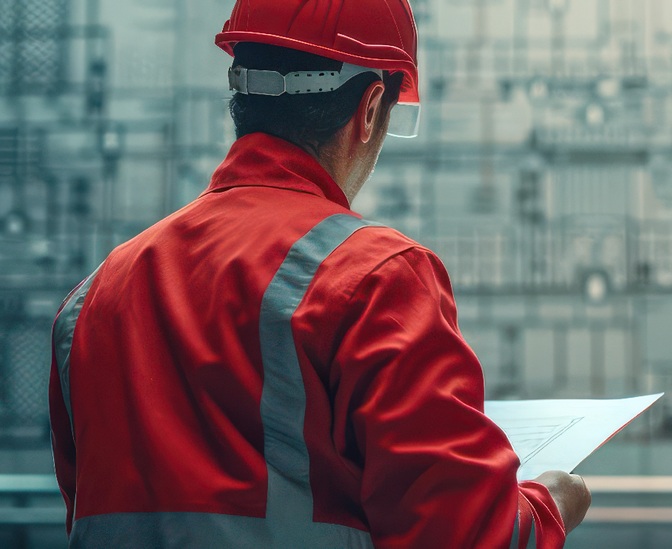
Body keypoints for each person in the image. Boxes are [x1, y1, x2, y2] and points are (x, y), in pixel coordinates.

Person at [46, 0, 591, 546]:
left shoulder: (92, 298)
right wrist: (549, 507)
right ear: (372, 106)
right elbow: (464, 537)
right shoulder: (374, 276)